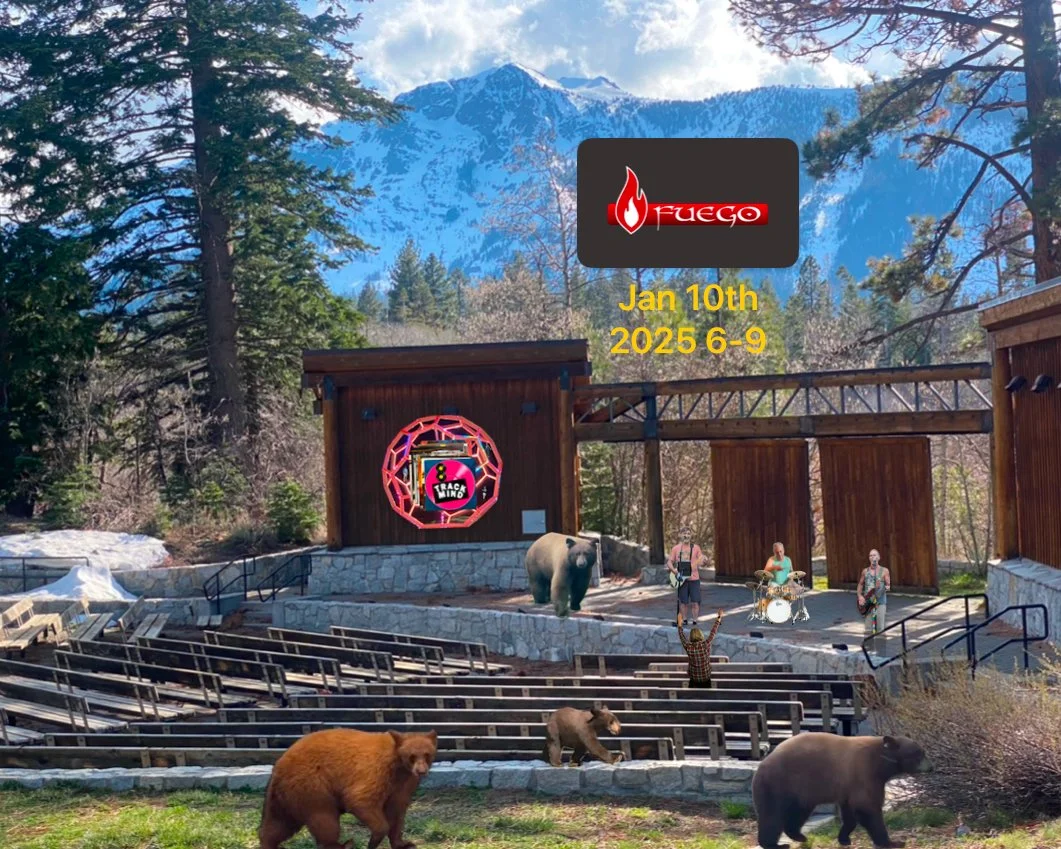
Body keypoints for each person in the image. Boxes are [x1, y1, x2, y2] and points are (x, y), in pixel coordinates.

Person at [666, 525, 706, 627]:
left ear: (691, 536)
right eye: (684, 533)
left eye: (688, 534)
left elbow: (701, 561)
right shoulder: (676, 548)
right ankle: (684, 620)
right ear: (680, 535)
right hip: (681, 579)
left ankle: (695, 621)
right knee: (683, 602)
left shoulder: (696, 548)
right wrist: (674, 571)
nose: (686, 535)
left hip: (694, 579)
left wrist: (703, 561)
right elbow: (669, 562)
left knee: (695, 601)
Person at [678, 609, 724, 688]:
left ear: (691, 637)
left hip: (694, 679)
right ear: (701, 635)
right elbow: (713, 631)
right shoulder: (706, 644)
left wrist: (679, 623)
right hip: (706, 677)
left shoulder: (688, 647)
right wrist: (719, 617)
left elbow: (681, 635)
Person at [857, 549, 891, 650]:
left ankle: (881, 650)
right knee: (868, 627)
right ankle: (868, 647)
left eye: (875, 555)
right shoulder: (865, 571)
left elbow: (888, 586)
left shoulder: (884, 571)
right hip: (868, 603)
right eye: (870, 555)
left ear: (879, 557)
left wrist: (882, 587)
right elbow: (860, 584)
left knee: (880, 627)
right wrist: (860, 596)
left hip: (880, 602)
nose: (873, 557)